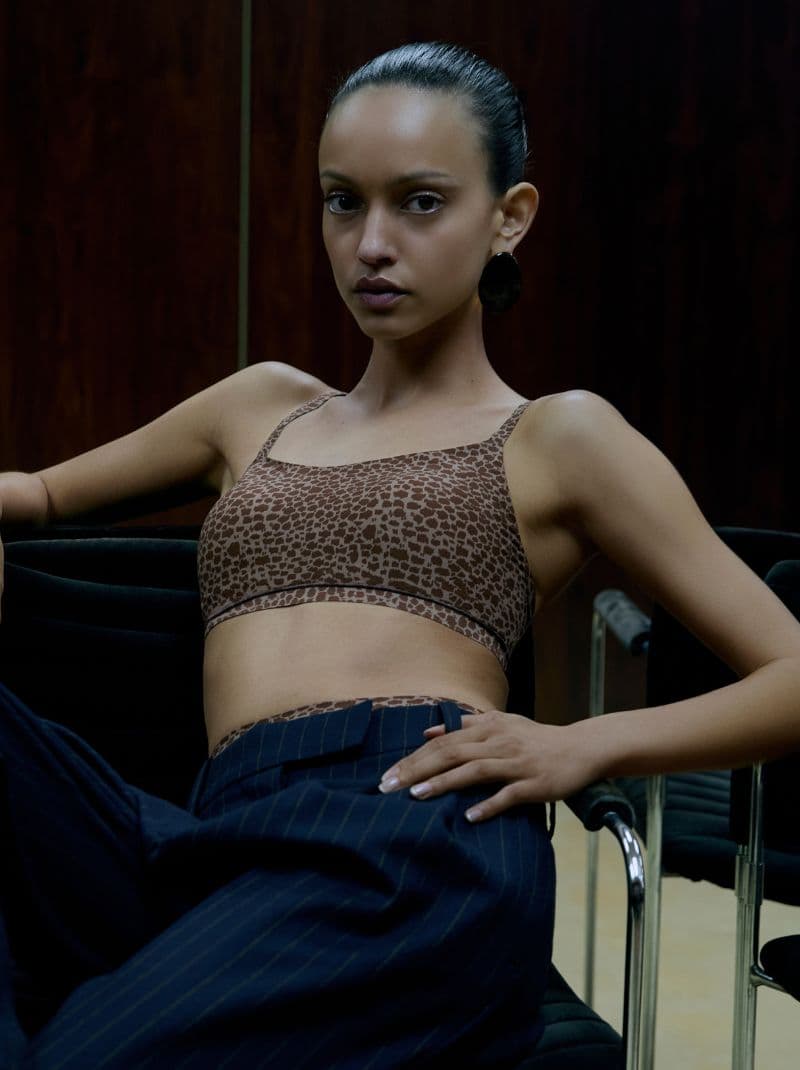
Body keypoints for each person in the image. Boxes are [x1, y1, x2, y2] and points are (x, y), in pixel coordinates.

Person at [1, 40, 799, 1069]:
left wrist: (581, 744)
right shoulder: (258, 405)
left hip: (406, 831)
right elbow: (39, 494)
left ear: (507, 217)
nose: (370, 243)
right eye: (343, 202)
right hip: (212, 836)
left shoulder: (558, 435)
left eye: (419, 203)